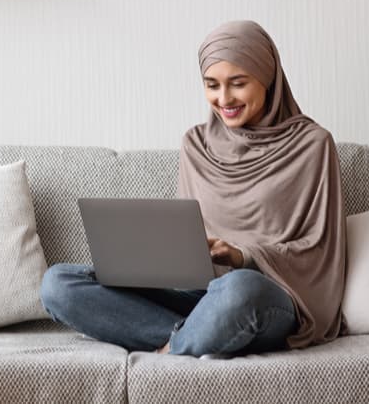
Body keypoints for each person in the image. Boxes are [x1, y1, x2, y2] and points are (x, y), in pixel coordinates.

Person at [40, 20, 346, 357]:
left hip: (263, 295)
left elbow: (321, 249)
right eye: (212, 85)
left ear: (268, 77)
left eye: (238, 83)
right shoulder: (196, 144)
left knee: (239, 288)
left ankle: (171, 343)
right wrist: (158, 257)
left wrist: (243, 255)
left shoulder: (313, 145)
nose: (224, 98)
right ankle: (193, 337)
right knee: (59, 284)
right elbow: (186, 234)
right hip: (197, 294)